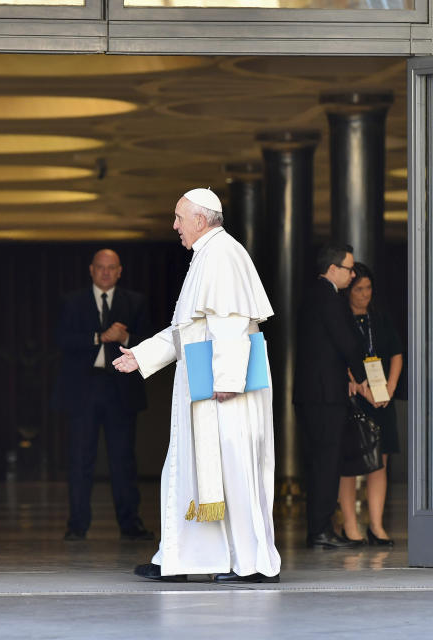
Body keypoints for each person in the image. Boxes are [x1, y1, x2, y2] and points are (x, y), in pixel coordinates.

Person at [113, 188, 281, 583]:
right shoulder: (208, 255)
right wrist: (142, 355)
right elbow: (187, 328)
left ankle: (255, 564)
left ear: (200, 221)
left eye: (179, 218)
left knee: (237, 474)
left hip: (226, 392)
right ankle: (181, 559)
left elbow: (231, 322)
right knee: (191, 471)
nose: (174, 226)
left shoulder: (222, 254)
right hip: (208, 390)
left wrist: (226, 382)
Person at [55, 249, 153, 541]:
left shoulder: (135, 302)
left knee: (123, 460)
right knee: (80, 459)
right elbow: (61, 340)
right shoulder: (71, 302)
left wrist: (124, 338)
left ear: (120, 271)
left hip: (121, 391)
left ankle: (130, 524)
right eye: (101, 267)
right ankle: (77, 525)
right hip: (83, 390)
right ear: (91, 270)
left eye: (111, 268)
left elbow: (151, 342)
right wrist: (99, 337)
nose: (106, 272)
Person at [293, 243, 370, 549]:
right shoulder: (329, 298)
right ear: (333, 269)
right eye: (349, 268)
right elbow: (347, 343)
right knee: (326, 463)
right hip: (325, 396)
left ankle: (319, 527)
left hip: (312, 394)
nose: (353, 274)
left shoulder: (313, 295)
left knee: (318, 462)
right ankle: (320, 530)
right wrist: (362, 379)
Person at [338, 263, 403, 546]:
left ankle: (376, 525)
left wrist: (388, 388)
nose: (365, 295)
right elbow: (341, 360)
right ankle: (350, 525)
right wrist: (364, 391)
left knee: (381, 463)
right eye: (359, 290)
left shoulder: (379, 318)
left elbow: (397, 353)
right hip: (355, 399)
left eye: (368, 289)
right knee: (350, 464)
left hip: (382, 397)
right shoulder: (341, 320)